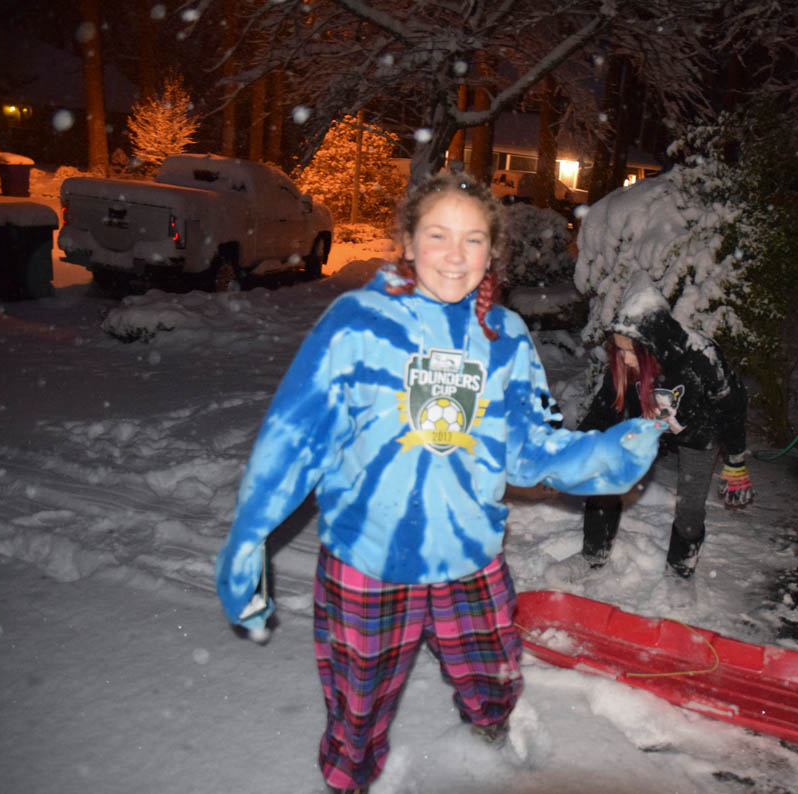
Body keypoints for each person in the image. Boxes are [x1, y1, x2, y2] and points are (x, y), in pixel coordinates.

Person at [214, 171, 666, 794]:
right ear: (406, 239)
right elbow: (295, 437)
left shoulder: (503, 338)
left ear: (492, 252)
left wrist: (608, 455)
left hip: (469, 560)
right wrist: (250, 532)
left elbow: (528, 449)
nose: (456, 255)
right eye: (438, 234)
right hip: (368, 564)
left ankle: (487, 738)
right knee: (357, 702)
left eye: (474, 239)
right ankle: (349, 779)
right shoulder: (357, 324)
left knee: (493, 676)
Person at [577, 271, 752, 578]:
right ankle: (593, 555)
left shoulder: (700, 357)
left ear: (653, 347)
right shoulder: (625, 365)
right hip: (645, 423)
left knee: (689, 510)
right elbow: (605, 407)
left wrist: (735, 459)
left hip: (699, 432)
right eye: (618, 349)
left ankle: (680, 569)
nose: (624, 358)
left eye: (631, 352)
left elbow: (732, 405)